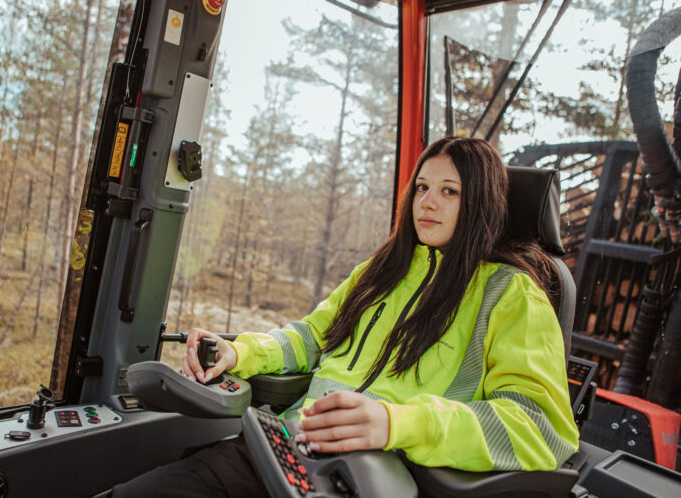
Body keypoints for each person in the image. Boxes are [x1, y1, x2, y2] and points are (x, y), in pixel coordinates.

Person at [112, 137, 579, 498]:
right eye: (422, 187)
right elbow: (311, 338)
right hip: (290, 449)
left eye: (449, 191)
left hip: (376, 477)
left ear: (480, 203)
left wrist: (398, 423)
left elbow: (541, 425)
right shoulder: (381, 271)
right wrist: (241, 352)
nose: (427, 202)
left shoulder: (511, 296)